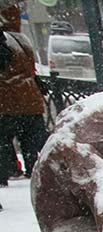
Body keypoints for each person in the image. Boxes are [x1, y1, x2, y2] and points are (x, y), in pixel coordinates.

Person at [0, 6, 48, 187]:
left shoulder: (5, 41)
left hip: (8, 102)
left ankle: (7, 173)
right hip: (30, 101)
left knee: (3, 142)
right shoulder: (22, 39)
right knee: (30, 141)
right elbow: (30, 70)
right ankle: (34, 171)